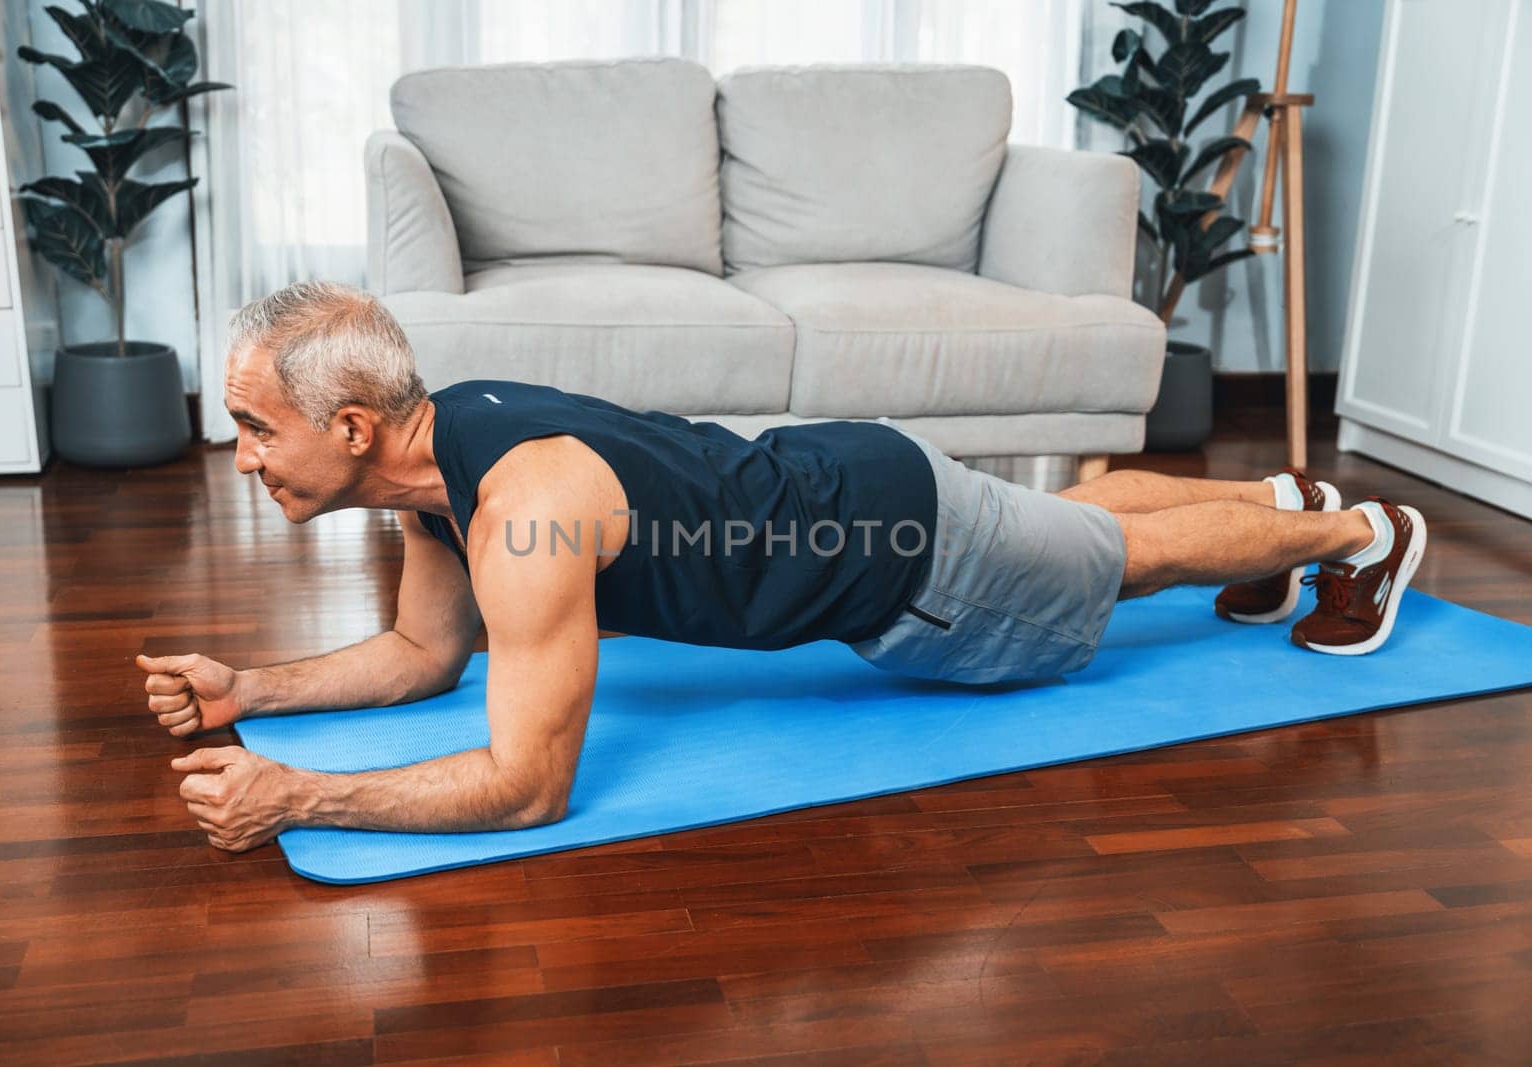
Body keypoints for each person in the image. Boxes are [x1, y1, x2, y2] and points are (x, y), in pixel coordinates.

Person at [139, 282, 1427, 852]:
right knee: (1087, 520)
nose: (243, 456)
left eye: (257, 428)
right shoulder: (447, 452)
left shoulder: (521, 510)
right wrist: (251, 690)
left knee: (1112, 556)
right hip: (859, 477)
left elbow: (528, 789)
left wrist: (299, 800)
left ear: (351, 428)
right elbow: (427, 656)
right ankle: (1279, 502)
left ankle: (1355, 535)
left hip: (911, 573)